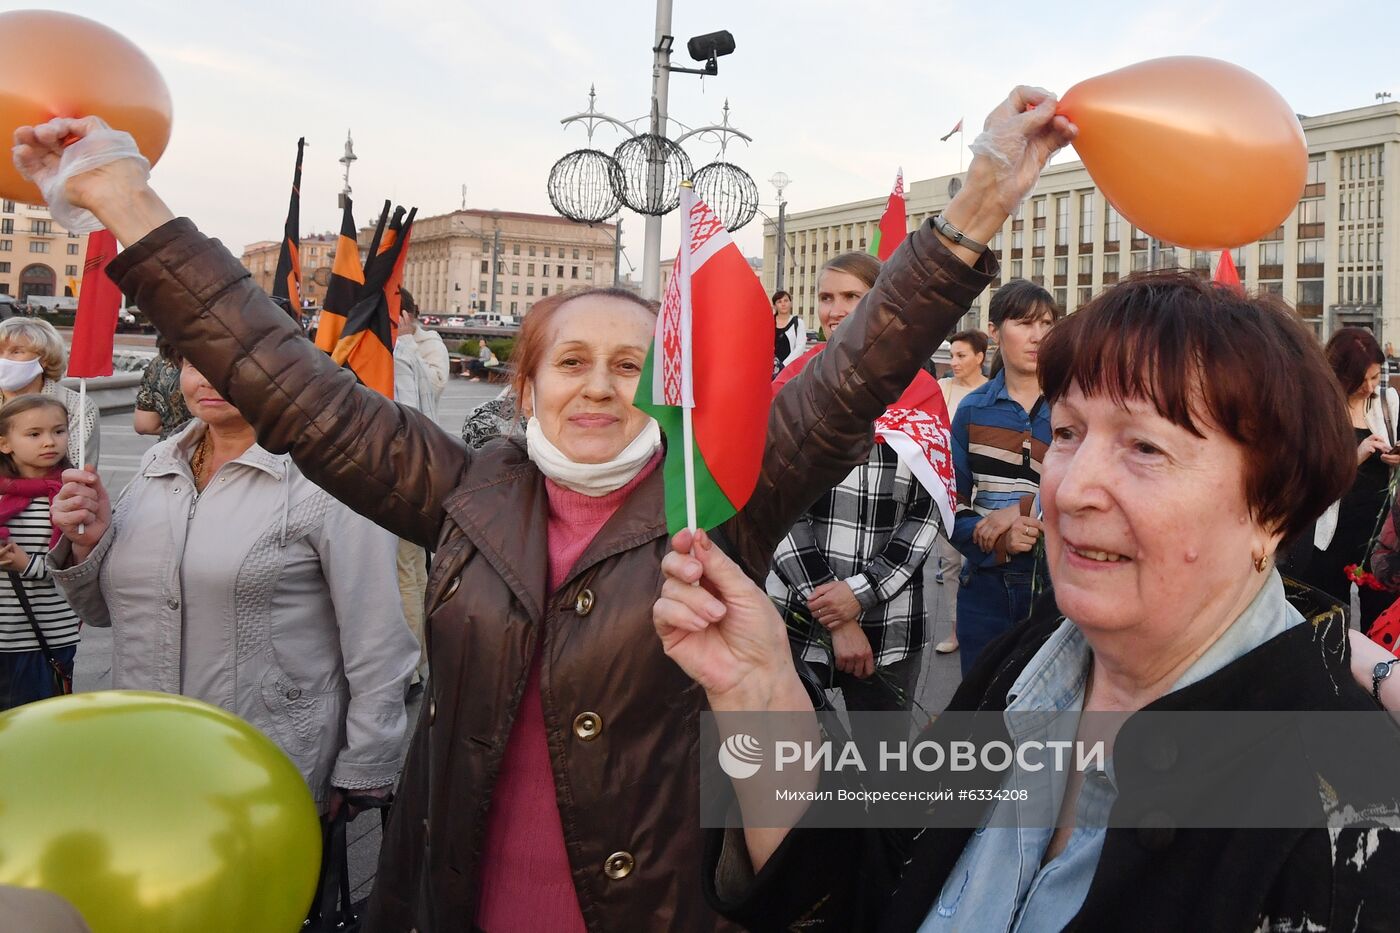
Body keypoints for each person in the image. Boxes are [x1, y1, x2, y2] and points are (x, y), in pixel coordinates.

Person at [12, 85, 1074, 931]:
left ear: (660, 384)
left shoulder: (717, 497)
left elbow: (859, 367)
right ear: (523, 389)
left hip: (661, 905)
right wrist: (121, 197)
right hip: (451, 894)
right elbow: (282, 375)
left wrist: (983, 193)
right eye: (570, 361)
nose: (599, 386)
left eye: (626, 363)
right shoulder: (461, 490)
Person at [656, 272, 1400, 932]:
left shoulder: (1348, 811)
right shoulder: (1022, 665)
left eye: (1144, 447)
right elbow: (868, 882)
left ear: (1272, 507)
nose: (1070, 488)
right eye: (1069, 432)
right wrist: (760, 686)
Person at [47, 348, 419, 813]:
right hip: (143, 754)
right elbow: (102, 613)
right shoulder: (156, 466)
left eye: (233, 360)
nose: (208, 378)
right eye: (192, 362)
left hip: (262, 764)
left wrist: (365, 767)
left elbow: (377, 636)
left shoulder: (326, 482)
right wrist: (87, 544)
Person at [768, 252, 944, 715]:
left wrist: (859, 594)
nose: (836, 309)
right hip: (793, 617)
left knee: (879, 773)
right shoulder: (791, 382)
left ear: (885, 302)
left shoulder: (923, 391)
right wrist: (832, 609)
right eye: (826, 297)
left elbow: (927, 512)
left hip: (889, 621)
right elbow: (772, 505)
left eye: (852, 296)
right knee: (792, 769)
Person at [949, 280, 1058, 675]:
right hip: (985, 585)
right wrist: (999, 542)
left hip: (1057, 585)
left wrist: (1022, 510)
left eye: (1047, 323)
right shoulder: (973, 410)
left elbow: (1096, 490)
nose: (1038, 336)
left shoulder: (1074, 404)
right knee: (981, 712)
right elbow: (948, 505)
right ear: (994, 332)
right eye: (1025, 323)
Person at [1296, 326, 1399, 631]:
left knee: (1379, 618)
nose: (1370, 387)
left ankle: (1373, 676)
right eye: (1362, 380)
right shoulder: (1319, 409)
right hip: (1331, 531)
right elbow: (1310, 474)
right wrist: (1358, 453)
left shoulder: (1386, 401)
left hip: (1380, 533)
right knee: (1328, 615)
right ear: (1339, 375)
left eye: (1375, 377)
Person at [0, 396, 80, 710]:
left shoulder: (73, 495)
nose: (49, 441)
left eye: (58, 431)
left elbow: (80, 569)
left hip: (44, 636)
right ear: (5, 443)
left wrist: (27, 565)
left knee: (33, 726)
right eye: (34, 434)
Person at [393, 297, 445, 687]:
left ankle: (412, 665)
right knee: (407, 571)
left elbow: (414, 409)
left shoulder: (420, 347)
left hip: (405, 476)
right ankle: (418, 657)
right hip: (406, 473)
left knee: (405, 571)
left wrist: (402, 342)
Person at [933, 328, 990, 654]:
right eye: (951, 355)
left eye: (961, 355)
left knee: (984, 562)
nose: (953, 362)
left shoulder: (993, 393)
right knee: (951, 564)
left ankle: (986, 632)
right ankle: (956, 631)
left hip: (988, 492)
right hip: (950, 493)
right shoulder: (942, 390)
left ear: (980, 357)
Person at [0, 318, 99, 467]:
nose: (4, 359)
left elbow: (77, 467)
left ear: (44, 358)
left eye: (17, 351)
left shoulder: (77, 406)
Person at [132, 338, 192, 439]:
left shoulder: (159, 363)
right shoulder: (217, 359)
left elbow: (144, 425)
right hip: (214, 448)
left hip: (171, 447)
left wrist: (173, 429)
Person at [772, 289, 805, 375]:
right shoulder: (769, 322)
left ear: (790, 303)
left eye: (786, 300)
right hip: (769, 368)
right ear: (775, 306)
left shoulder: (798, 322)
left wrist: (783, 365)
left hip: (789, 369)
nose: (783, 304)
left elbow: (800, 347)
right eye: (779, 301)